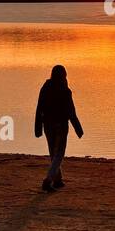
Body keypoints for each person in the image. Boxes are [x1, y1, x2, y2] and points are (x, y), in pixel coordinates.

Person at [34, 64, 84, 192]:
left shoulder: (45, 88)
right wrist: (78, 128)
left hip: (48, 124)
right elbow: (71, 111)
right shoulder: (64, 90)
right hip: (61, 125)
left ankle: (57, 179)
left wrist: (38, 127)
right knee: (59, 153)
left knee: (53, 152)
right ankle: (49, 180)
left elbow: (39, 107)